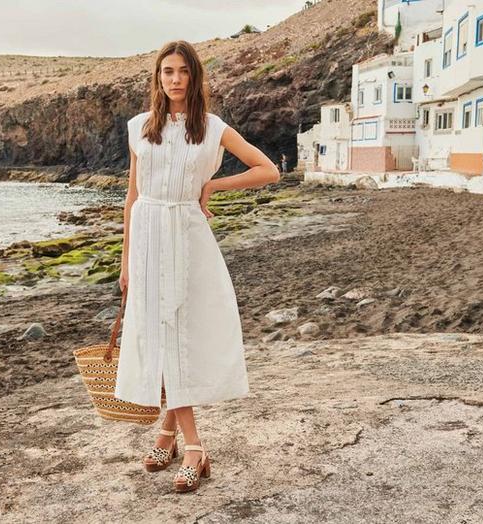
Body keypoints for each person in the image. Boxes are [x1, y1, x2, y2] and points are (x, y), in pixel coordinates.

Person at [114, 40, 280, 493]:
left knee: (180, 335)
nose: (174, 79)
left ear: (194, 76)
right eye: (166, 71)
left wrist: (213, 185)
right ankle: (170, 434)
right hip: (148, 235)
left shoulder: (212, 128)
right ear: (157, 77)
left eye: (182, 71)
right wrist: (125, 261)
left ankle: (192, 447)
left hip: (187, 235)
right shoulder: (138, 127)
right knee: (161, 334)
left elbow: (268, 170)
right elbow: (132, 198)